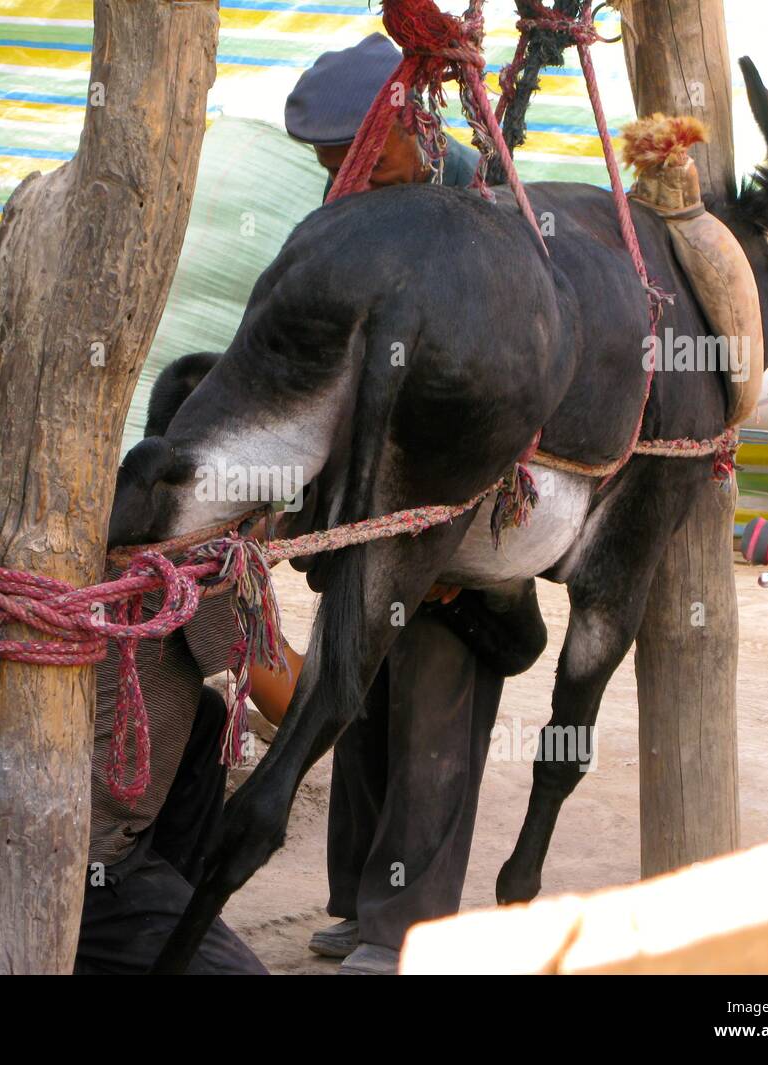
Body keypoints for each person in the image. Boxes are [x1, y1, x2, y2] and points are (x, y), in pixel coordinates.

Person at [285, 33, 530, 975]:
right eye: (324, 158)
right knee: (358, 697)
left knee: (433, 705)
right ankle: (357, 903)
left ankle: (406, 931)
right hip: (366, 509)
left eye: (355, 150)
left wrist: (447, 527)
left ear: (408, 122)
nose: (340, 171)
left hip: (454, 508)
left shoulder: (485, 204)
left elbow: (508, 390)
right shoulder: (349, 207)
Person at [76, 358, 305, 975]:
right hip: (82, 862)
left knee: (203, 718)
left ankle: (171, 890)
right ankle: (138, 921)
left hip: (38, 809)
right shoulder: (192, 560)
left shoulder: (89, 513)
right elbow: (292, 704)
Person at [285, 32, 481, 199]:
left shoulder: (480, 189)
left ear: (418, 125)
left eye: (374, 165)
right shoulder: (347, 182)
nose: (358, 187)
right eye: (336, 170)